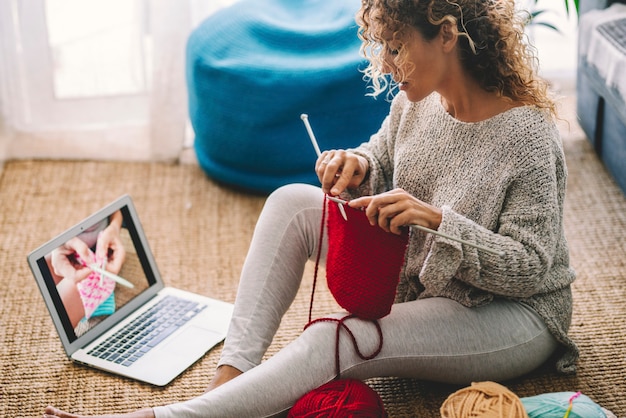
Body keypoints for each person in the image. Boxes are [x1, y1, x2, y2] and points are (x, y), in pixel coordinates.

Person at [43, 0, 579, 416]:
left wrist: (437, 220)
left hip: (511, 316)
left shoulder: (528, 136)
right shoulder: (416, 106)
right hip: (427, 278)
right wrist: (359, 164)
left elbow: (530, 267)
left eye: (397, 47)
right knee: (290, 203)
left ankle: (171, 417)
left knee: (332, 337)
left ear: (446, 32)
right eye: (382, 48)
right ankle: (231, 383)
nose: (387, 65)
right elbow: (384, 159)